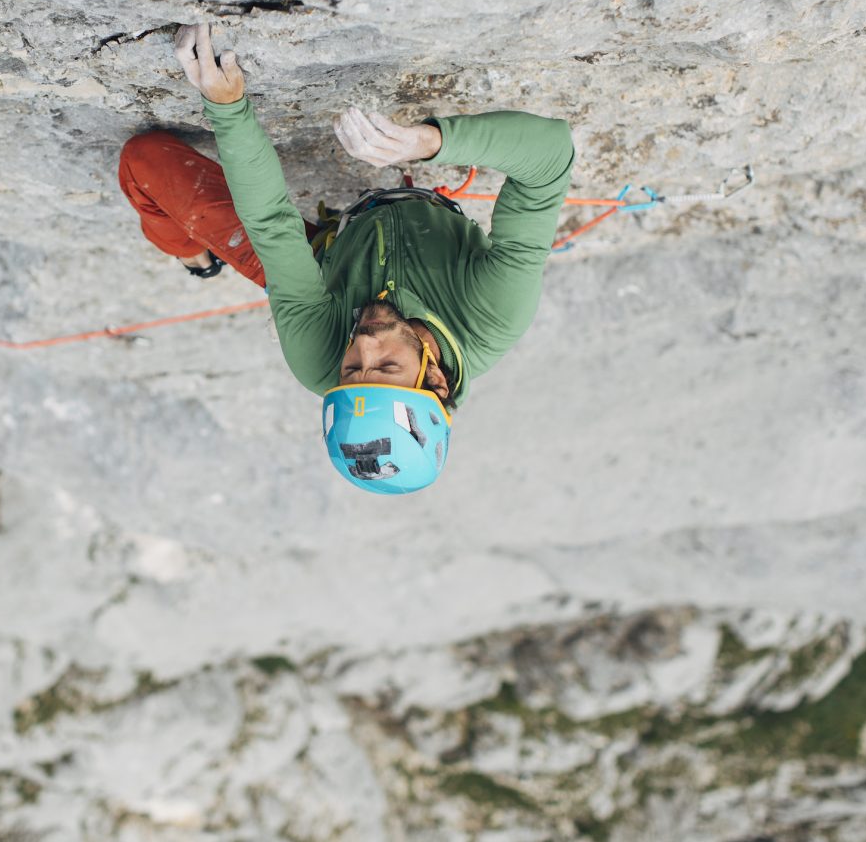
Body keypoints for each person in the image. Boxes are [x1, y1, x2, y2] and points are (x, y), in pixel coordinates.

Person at [117, 24, 575, 494]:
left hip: (319, 260)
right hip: (389, 237)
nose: (364, 346)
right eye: (387, 367)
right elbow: (551, 157)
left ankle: (196, 258)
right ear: (435, 377)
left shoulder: (317, 358)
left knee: (143, 162)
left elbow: (273, 223)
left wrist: (228, 106)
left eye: (352, 370)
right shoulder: (494, 313)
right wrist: (429, 142)